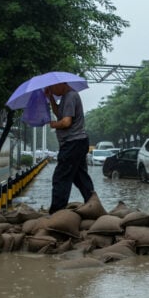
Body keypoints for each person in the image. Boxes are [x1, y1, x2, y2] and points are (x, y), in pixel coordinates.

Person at [44, 82, 95, 213]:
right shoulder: (66, 97)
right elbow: (59, 113)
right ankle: (93, 205)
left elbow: (66, 122)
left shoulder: (70, 96)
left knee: (60, 177)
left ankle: (56, 213)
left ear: (60, 84)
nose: (52, 91)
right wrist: (50, 98)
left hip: (73, 143)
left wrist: (54, 125)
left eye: (52, 88)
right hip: (78, 142)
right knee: (80, 178)